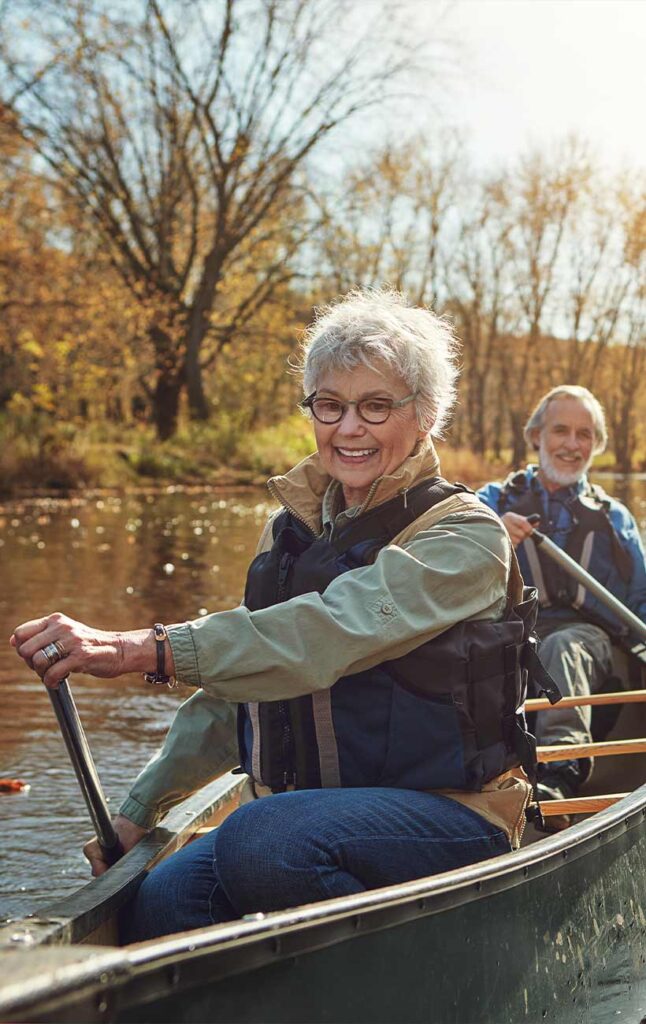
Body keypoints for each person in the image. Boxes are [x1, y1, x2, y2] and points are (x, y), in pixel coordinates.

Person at [12, 288, 539, 942]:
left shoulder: (464, 536)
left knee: (264, 840)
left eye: (377, 406)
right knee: (163, 902)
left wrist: (138, 650)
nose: (349, 428)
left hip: (452, 815)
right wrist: (138, 812)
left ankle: (399, 973)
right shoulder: (289, 534)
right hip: (313, 820)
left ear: (425, 416)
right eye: (330, 405)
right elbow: (236, 691)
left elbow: (324, 634)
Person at [478, 385, 646, 817]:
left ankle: (560, 775)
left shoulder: (616, 518)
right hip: (512, 632)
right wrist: (492, 533)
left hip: (590, 640)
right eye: (561, 431)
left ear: (597, 445)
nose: (573, 445)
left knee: (561, 647)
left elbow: (641, 600)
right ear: (536, 436)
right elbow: (447, 564)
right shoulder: (490, 503)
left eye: (584, 434)